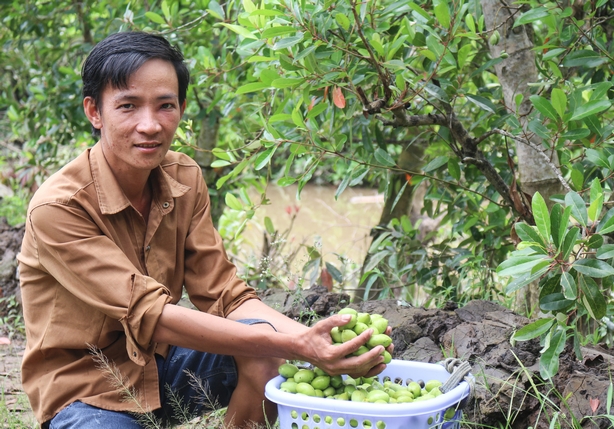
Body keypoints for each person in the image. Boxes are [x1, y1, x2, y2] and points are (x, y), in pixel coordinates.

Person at [17, 31, 391, 429]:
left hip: (162, 365)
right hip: (85, 390)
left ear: (180, 108)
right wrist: (300, 346)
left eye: (165, 106)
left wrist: (328, 345)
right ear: (95, 112)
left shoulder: (183, 177)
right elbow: (153, 316)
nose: (150, 125)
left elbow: (226, 296)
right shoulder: (59, 207)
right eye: (128, 106)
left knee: (264, 351)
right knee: (272, 344)